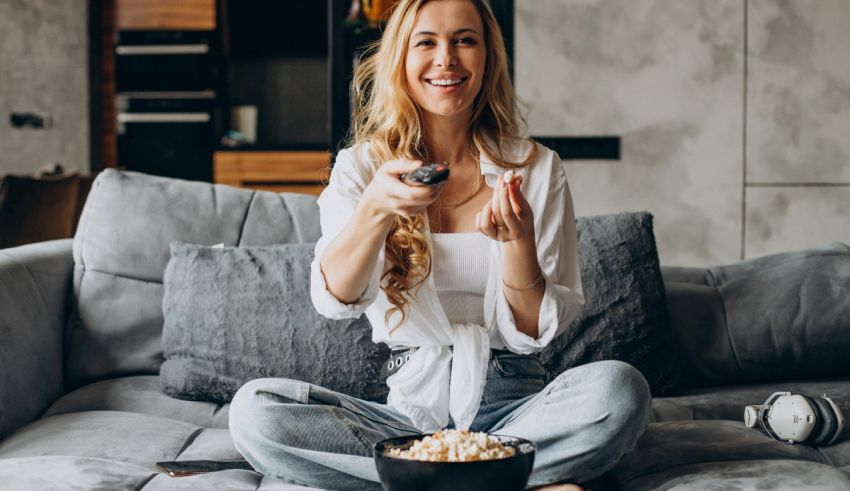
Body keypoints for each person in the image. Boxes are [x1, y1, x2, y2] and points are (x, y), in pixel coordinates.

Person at [229, 1, 651, 489]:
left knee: (619, 390)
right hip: (407, 420)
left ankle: (421, 480)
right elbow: (335, 301)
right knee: (256, 412)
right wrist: (375, 209)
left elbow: (534, 333)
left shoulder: (535, 168)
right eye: (426, 42)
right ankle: (500, 477)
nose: (446, 58)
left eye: (465, 40)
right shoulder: (361, 169)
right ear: (401, 60)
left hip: (519, 410)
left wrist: (517, 243)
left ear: (488, 58)